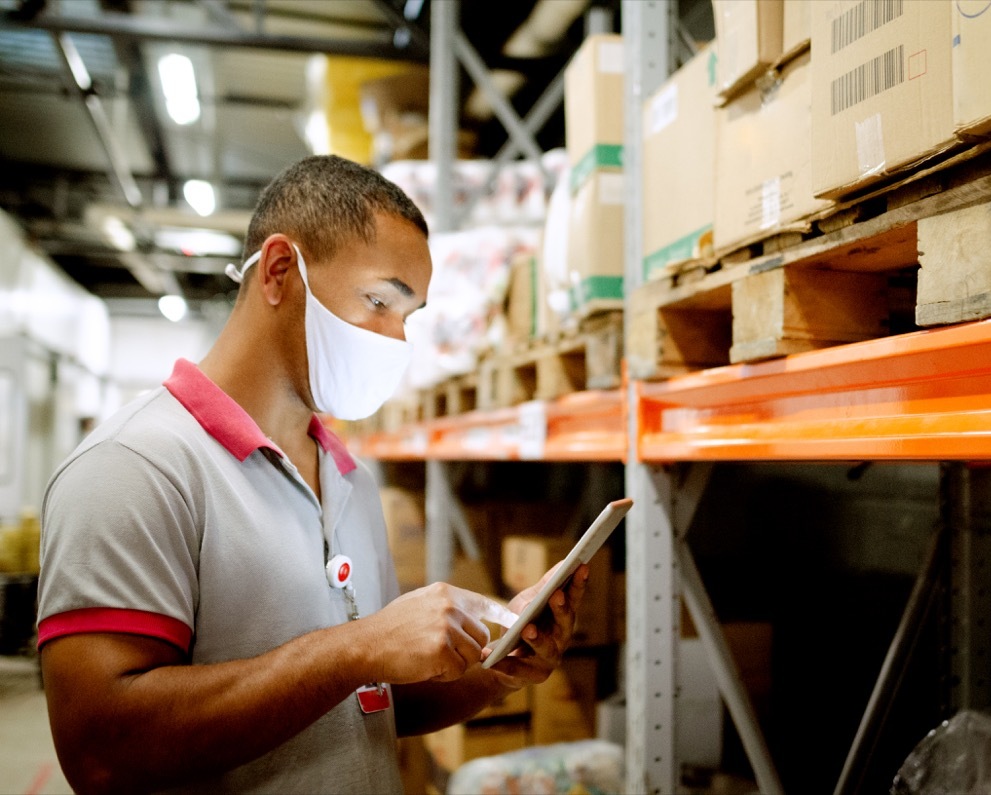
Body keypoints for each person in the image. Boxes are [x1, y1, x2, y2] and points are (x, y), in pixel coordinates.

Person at [35, 154, 590, 795]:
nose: (395, 340)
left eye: (407, 317)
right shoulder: (133, 467)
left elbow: (372, 702)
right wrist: (356, 647)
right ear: (279, 271)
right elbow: (101, 752)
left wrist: (498, 666)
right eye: (378, 300)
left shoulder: (349, 476)